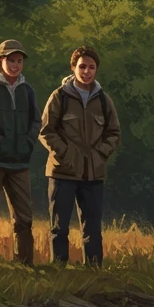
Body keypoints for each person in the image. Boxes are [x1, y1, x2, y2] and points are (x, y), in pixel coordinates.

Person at [39, 46, 121, 267]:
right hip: (62, 171)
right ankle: (59, 269)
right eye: (82, 66)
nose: (87, 71)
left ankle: (94, 271)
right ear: (73, 67)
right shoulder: (59, 97)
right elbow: (46, 132)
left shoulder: (104, 100)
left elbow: (114, 133)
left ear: (96, 70)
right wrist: (66, 154)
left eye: (91, 67)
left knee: (92, 228)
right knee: (59, 226)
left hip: (93, 174)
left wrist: (100, 154)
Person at [0, 39, 41, 265]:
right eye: (10, 60)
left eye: (19, 61)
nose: (15, 65)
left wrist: (26, 143)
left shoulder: (28, 90)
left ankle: (25, 264)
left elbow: (36, 122)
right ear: (0, 61)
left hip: (19, 163)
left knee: (24, 217)